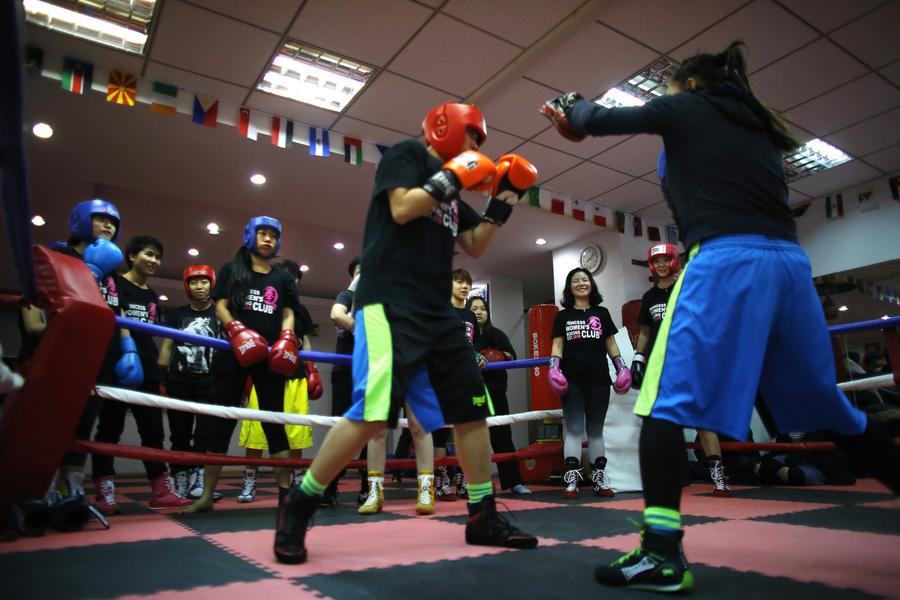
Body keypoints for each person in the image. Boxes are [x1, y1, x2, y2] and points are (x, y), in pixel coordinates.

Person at [542, 40, 900, 593]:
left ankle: (662, 553)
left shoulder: (692, 104)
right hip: (790, 267)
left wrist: (571, 106)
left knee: (660, 405)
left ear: (688, 85)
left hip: (727, 262)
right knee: (831, 408)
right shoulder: (757, 125)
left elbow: (600, 119)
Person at [273, 101, 539, 564]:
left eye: (479, 143)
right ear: (445, 127)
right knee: (374, 413)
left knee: (471, 408)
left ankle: (482, 514)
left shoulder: (453, 197)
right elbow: (400, 208)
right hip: (389, 302)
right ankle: (301, 501)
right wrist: (454, 175)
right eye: (473, 136)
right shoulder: (406, 157)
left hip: (438, 312)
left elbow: (474, 244)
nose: (476, 148)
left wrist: (503, 202)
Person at [184, 216, 302, 513]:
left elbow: (288, 312)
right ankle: (206, 496)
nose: (267, 239)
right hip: (234, 352)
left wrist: (287, 336)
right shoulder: (231, 270)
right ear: (250, 236)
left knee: (275, 423)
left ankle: (285, 495)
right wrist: (236, 330)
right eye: (262, 233)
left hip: (270, 356)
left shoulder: (282, 278)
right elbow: (221, 305)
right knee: (221, 423)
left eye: (272, 235)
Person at [91, 235, 192, 513]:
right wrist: (127, 350)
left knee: (154, 431)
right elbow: (117, 319)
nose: (154, 261)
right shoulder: (114, 283)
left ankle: (160, 490)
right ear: (132, 255)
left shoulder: (150, 294)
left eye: (158, 256)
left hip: (146, 367)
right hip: (118, 363)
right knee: (109, 429)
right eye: (149, 254)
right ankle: (104, 491)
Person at [632, 243, 731, 497]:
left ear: (674, 261)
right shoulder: (649, 297)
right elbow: (645, 331)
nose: (662, 265)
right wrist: (638, 357)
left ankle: (718, 476)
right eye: (657, 261)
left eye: (666, 260)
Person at [236, 259, 320, 504]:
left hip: (295, 377)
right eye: (285, 279)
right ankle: (250, 481)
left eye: (294, 281)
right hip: (263, 374)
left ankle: (295, 483)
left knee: (296, 431)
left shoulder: (300, 310)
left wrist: (312, 369)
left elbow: (305, 341)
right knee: (256, 430)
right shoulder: (264, 304)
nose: (289, 284)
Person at [548, 268, 632, 499]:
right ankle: (572, 481)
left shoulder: (602, 313)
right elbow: (557, 345)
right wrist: (553, 368)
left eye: (585, 279)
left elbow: (610, 343)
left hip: (599, 379)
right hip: (572, 380)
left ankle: (598, 480)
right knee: (574, 430)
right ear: (569, 287)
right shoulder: (563, 316)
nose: (581, 283)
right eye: (576, 280)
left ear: (591, 284)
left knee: (596, 431)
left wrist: (621, 366)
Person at [157, 265, 220, 498]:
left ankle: (198, 476)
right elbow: (167, 345)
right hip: (178, 379)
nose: (199, 286)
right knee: (179, 433)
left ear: (211, 284)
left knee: (205, 432)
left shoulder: (220, 314)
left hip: (210, 381)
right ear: (187, 286)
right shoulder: (177, 314)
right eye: (194, 282)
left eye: (204, 281)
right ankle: (179, 476)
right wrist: (161, 378)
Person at [466, 295, 531, 494]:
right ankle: (474, 483)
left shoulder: (497, 335)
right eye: (474, 308)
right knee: (472, 437)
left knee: (502, 436)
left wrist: (496, 356)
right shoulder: (464, 336)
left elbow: (512, 356)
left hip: (496, 391)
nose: (479, 312)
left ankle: (514, 482)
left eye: (482, 308)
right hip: (472, 390)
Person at [321, 257, 367, 507]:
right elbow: (336, 314)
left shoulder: (377, 301)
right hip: (345, 370)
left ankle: (368, 487)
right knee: (339, 426)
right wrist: (360, 327)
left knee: (370, 428)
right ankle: (329, 488)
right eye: (359, 272)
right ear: (352, 276)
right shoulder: (346, 296)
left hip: (369, 370)